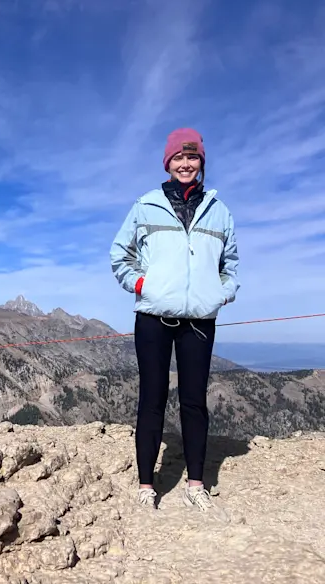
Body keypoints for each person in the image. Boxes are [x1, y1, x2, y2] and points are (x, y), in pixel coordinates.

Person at [109, 127, 239, 511]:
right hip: (152, 315)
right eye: (178, 158)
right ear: (167, 163)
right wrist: (140, 283)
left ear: (201, 162)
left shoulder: (220, 211)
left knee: (194, 401)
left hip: (199, 318)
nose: (186, 164)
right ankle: (146, 486)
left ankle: (196, 485)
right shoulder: (146, 205)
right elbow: (120, 254)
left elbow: (230, 265)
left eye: (193, 157)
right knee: (152, 399)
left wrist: (222, 292)